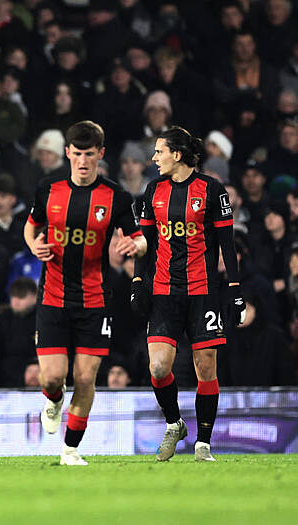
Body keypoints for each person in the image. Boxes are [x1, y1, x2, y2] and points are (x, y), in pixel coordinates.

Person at [24, 120, 146, 465]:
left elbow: (139, 237)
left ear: (100, 155)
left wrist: (134, 247)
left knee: (85, 376)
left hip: (94, 299)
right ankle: (52, 399)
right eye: (76, 154)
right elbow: (31, 227)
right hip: (52, 296)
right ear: (67, 153)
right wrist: (34, 246)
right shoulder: (47, 189)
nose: (82, 161)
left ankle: (70, 450)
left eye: (89, 154)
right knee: (52, 378)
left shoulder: (116, 196)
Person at [130, 126, 246, 463]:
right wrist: (139, 282)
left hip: (203, 291)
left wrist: (235, 290)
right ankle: (175, 423)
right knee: (158, 367)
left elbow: (227, 245)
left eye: (159, 152)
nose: (154, 158)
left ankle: (203, 444)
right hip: (164, 291)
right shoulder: (153, 191)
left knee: (205, 367)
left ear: (177, 154)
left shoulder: (211, 190)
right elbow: (146, 245)